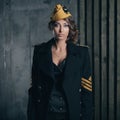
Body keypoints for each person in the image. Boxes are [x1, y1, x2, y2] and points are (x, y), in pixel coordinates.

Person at [27, 4, 93, 120]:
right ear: (52, 27)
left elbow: (86, 92)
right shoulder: (39, 52)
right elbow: (34, 89)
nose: (61, 30)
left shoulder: (82, 54)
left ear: (70, 28)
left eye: (65, 25)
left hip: (71, 114)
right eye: (57, 25)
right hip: (45, 113)